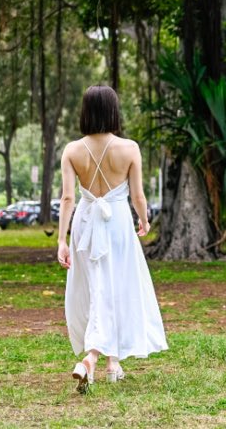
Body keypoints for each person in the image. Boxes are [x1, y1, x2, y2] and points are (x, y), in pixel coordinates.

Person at [57, 85, 167, 392]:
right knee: (115, 286)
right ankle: (93, 358)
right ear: (113, 111)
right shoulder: (129, 148)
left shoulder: (72, 151)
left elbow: (67, 199)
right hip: (118, 222)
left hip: (85, 223)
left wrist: (62, 240)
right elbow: (138, 195)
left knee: (97, 287)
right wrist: (144, 221)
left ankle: (113, 360)